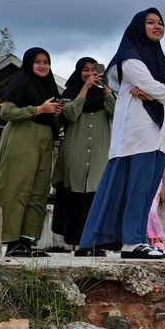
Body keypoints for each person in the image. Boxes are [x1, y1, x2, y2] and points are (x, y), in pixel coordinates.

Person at [78, 8, 165, 259]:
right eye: (150, 22)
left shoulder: (163, 61)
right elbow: (153, 86)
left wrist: (164, 94)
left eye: (160, 23)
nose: (157, 26)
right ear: (139, 26)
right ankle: (132, 242)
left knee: (144, 189)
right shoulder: (129, 56)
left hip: (159, 133)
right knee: (130, 187)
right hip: (137, 132)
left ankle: (97, 242)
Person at [0, 47, 62, 257]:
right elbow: (6, 112)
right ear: (29, 64)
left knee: (38, 191)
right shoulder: (20, 83)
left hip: (44, 141)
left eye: (46, 62)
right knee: (16, 188)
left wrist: (56, 111)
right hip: (22, 139)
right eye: (38, 62)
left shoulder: (49, 87)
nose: (42, 66)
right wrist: (39, 109)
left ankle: (27, 241)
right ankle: (11, 242)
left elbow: (55, 118)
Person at [51, 57, 116, 255]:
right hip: (75, 154)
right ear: (79, 72)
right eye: (85, 70)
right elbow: (70, 115)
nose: (89, 74)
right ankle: (79, 244)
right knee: (76, 200)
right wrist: (85, 89)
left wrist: (107, 90)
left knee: (95, 199)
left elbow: (116, 112)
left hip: (98, 156)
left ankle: (94, 243)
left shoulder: (104, 96)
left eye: (93, 70)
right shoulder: (70, 94)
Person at [145, 162, 165, 257]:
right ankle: (144, 240)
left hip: (156, 180)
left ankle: (157, 239)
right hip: (143, 177)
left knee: (151, 211)